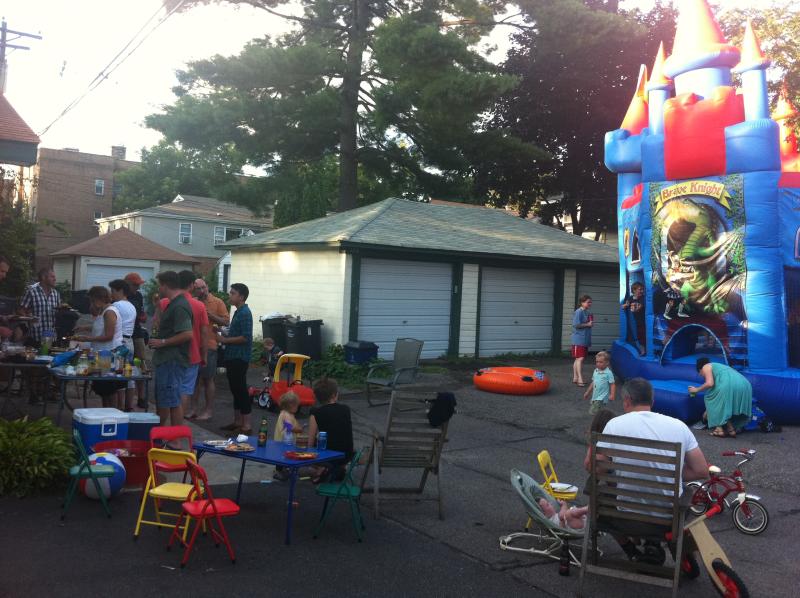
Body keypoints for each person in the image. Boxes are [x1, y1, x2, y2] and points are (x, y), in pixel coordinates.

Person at [596, 378, 709, 562]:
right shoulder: (679, 426)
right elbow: (701, 471)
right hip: (668, 519)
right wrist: (670, 473)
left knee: (600, 499)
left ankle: (632, 550)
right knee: (681, 492)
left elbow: (599, 468)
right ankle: (655, 544)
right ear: (652, 401)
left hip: (627, 517)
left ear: (627, 400)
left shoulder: (614, 425)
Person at [158, 270, 209, 420]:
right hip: (193, 354)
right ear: (192, 285)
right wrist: (204, 355)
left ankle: (163, 425)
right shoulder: (199, 306)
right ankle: (178, 425)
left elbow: (158, 327)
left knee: (166, 391)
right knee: (185, 390)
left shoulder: (165, 302)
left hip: (169, 353)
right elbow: (204, 333)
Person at [148, 271, 193, 427]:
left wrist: (162, 342)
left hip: (172, 360)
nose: (158, 289)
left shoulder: (180, 306)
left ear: (165, 285)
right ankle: (161, 433)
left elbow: (187, 334)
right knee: (166, 399)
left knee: (173, 401)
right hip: (167, 360)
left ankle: (175, 438)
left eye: (159, 285)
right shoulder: (172, 304)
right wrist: (158, 307)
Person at [73, 286, 126, 408]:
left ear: (98, 298)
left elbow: (109, 336)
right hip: (102, 354)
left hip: (109, 354)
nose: (91, 303)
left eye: (92, 300)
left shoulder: (109, 312)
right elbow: (101, 326)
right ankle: (105, 413)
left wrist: (87, 339)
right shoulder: (103, 311)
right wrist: (84, 327)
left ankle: (112, 413)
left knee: (109, 389)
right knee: (103, 391)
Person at [190, 278, 229, 420]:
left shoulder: (217, 302)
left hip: (210, 345)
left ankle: (208, 411)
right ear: (194, 290)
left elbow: (226, 321)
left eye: (204, 287)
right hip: (194, 345)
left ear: (207, 286)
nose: (202, 291)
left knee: (208, 379)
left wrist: (209, 314)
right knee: (194, 380)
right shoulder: (193, 301)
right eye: (198, 288)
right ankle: (193, 409)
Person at [219, 283, 253, 435]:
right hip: (232, 356)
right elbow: (235, 334)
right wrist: (221, 331)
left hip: (239, 357)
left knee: (241, 389)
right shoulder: (238, 311)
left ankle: (246, 425)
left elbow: (245, 337)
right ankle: (238, 421)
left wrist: (225, 340)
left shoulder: (245, 313)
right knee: (235, 389)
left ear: (241, 297)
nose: (230, 295)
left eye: (233, 293)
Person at [689, 358, 752, 438]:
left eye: (700, 374)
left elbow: (710, 383)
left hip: (730, 384)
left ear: (699, 369)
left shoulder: (705, 366)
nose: (702, 376)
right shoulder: (719, 366)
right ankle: (731, 429)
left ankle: (719, 429)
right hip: (745, 384)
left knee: (709, 398)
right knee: (721, 404)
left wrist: (696, 390)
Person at [307, 378, 354, 483]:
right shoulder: (346, 409)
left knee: (313, 448)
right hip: (346, 456)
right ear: (334, 395)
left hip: (329, 457)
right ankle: (338, 468)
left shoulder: (316, 413)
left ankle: (322, 468)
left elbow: (310, 442)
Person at [109, 279, 138, 411]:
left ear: (120, 290)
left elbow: (112, 324)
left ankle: (119, 407)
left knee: (119, 374)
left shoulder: (116, 305)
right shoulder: (131, 306)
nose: (111, 294)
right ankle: (129, 406)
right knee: (129, 375)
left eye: (113, 291)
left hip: (120, 343)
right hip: (130, 341)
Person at [124, 272, 149, 408]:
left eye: (139, 285)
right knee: (125, 365)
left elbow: (141, 313)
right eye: (135, 285)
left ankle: (141, 397)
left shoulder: (138, 296)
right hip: (124, 335)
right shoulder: (121, 296)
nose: (138, 287)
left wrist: (143, 316)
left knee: (140, 364)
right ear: (127, 284)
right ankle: (126, 399)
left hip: (137, 334)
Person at [19, 267, 61, 346]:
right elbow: (21, 310)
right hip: (36, 335)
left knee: (48, 354)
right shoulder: (31, 291)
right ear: (43, 277)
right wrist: (29, 319)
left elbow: (59, 311)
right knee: (37, 354)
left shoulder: (56, 293)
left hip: (51, 336)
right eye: (52, 277)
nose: (55, 279)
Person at [272, 391, 303, 481]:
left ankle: (282, 470)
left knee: (281, 456)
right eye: (296, 406)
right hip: (285, 440)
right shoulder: (286, 415)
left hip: (282, 440)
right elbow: (289, 427)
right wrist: (299, 429)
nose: (297, 407)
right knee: (285, 456)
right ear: (291, 405)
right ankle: (280, 472)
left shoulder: (285, 413)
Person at [583, 351, 615, 415]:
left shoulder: (608, 373)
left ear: (607, 363)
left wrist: (612, 394)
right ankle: (602, 418)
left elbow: (612, 384)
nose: (598, 364)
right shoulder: (596, 371)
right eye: (597, 362)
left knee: (593, 412)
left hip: (602, 397)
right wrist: (587, 392)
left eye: (601, 362)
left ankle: (598, 419)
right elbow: (593, 382)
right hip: (595, 395)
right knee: (599, 411)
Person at [571, 295, 593, 386]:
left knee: (578, 359)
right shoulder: (578, 312)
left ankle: (575, 377)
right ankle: (580, 379)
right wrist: (587, 324)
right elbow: (576, 325)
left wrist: (589, 324)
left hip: (584, 339)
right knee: (580, 358)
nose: (590, 304)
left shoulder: (587, 312)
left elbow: (587, 324)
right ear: (582, 303)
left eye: (590, 302)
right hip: (578, 339)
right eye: (588, 302)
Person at [622, 281, 646, 355]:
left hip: (645, 321)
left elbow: (639, 307)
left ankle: (646, 350)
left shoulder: (643, 298)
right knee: (640, 336)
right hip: (639, 322)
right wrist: (626, 305)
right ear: (634, 290)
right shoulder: (631, 298)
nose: (642, 291)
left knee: (645, 336)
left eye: (642, 289)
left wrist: (635, 307)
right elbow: (624, 305)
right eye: (640, 289)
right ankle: (643, 351)